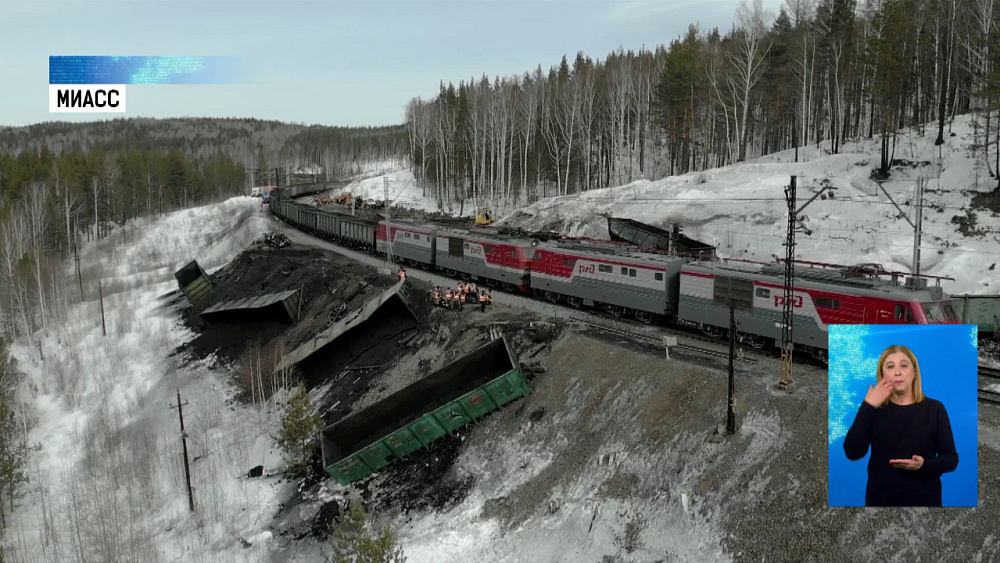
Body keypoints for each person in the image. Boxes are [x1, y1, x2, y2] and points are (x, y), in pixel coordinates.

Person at [843, 344, 958, 507]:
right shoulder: (873, 410)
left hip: (925, 503)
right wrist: (867, 406)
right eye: (890, 366)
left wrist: (923, 466)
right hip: (880, 502)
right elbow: (852, 452)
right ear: (883, 374)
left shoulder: (935, 409)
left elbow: (951, 460)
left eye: (904, 365)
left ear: (914, 372)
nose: (897, 372)